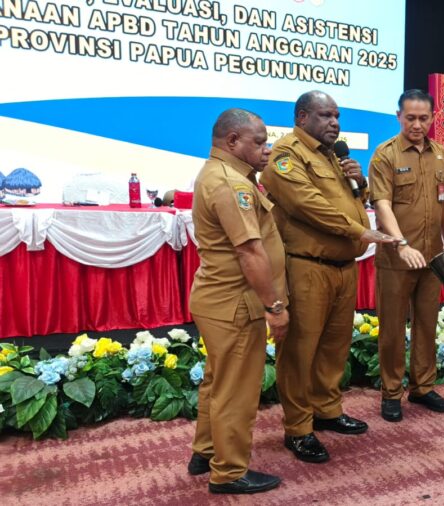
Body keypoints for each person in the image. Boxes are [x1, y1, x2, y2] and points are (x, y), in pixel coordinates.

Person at [259, 91, 401, 464]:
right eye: (325, 115)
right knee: (300, 350)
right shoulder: (286, 154)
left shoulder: (334, 156)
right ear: (302, 117)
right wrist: (360, 231)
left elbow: (351, 202)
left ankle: (326, 410)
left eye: (337, 116)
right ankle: (298, 428)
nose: (335, 123)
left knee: (334, 346)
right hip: (307, 266)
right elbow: (307, 204)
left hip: (343, 267)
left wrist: (361, 182)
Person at [188, 108, 288, 494]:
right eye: (259, 142)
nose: (267, 149)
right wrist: (275, 308)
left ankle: (206, 451)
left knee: (217, 381)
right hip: (234, 303)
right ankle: (229, 472)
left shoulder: (222, 174)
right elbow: (250, 252)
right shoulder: (232, 184)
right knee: (236, 391)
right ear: (232, 141)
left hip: (219, 300)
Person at [369, 89, 444, 422]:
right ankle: (391, 392)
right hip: (397, 260)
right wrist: (401, 244)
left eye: (423, 118)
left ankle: (422, 387)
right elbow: (382, 205)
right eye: (410, 118)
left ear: (433, 118)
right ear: (398, 117)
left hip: (432, 259)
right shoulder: (385, 155)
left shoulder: (440, 154)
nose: (417, 125)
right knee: (392, 329)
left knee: (427, 325)